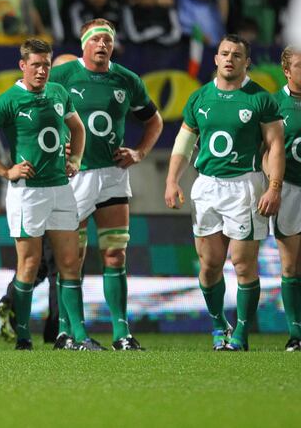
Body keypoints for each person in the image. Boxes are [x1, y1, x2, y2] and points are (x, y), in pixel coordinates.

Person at [0, 39, 102, 351]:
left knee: (70, 262)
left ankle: (78, 335)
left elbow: (78, 129)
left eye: (46, 64)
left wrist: (76, 160)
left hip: (60, 189)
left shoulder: (58, 93)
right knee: (29, 263)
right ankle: (24, 335)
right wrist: (5, 171)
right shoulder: (9, 99)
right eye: (36, 65)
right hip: (27, 193)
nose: (42, 71)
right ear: (23, 66)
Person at [165, 34, 284, 351]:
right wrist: (172, 180)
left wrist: (273, 187)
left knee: (244, 265)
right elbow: (184, 143)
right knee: (210, 264)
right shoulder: (200, 98)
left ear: (247, 62)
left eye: (237, 54)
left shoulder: (260, 99)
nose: (229, 59)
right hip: (206, 186)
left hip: (246, 185)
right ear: (216, 58)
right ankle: (219, 326)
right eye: (224, 53)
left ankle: (242, 335)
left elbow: (275, 146)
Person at [50, 19, 163, 350]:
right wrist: (55, 146)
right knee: (73, 257)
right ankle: (70, 332)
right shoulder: (62, 76)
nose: (102, 45)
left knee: (115, 253)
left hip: (113, 175)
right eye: (96, 39)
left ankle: (121, 333)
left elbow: (154, 120)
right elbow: (29, 109)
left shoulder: (126, 79)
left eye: (108, 40)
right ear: (84, 43)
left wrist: (140, 152)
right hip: (75, 176)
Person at [271, 46, 301, 351]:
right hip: (290, 189)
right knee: (291, 265)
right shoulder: (274, 104)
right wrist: (272, 186)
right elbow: (266, 150)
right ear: (287, 70)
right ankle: (296, 334)